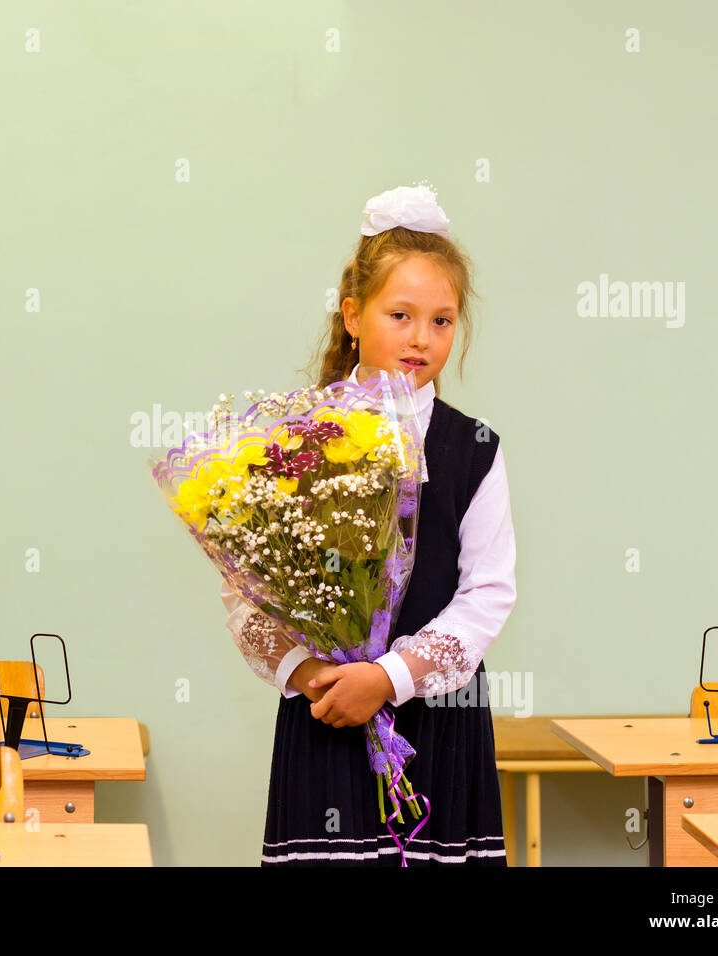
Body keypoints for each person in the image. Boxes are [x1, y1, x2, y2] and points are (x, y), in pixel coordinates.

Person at [219, 182, 517, 866]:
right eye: (401, 315)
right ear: (353, 315)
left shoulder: (473, 448)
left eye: (442, 321)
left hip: (437, 724)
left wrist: (388, 678)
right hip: (327, 717)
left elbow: (488, 592)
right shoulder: (294, 441)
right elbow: (246, 590)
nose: (421, 338)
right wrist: (309, 671)